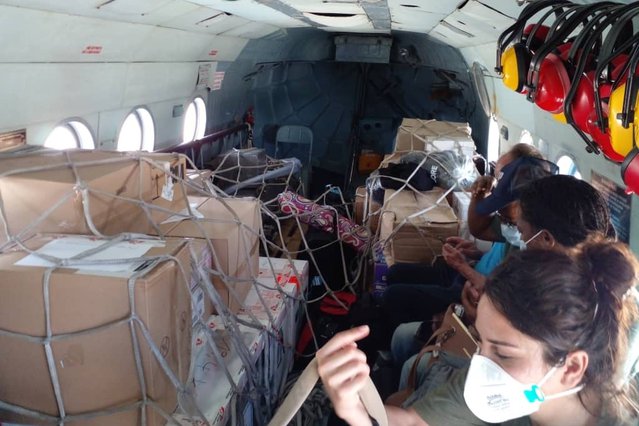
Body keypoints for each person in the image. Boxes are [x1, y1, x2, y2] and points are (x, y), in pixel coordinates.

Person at [317, 239, 639, 425]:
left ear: (570, 367)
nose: (479, 363)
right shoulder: (501, 387)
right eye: (480, 341)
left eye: (502, 351)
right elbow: (415, 421)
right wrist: (354, 409)